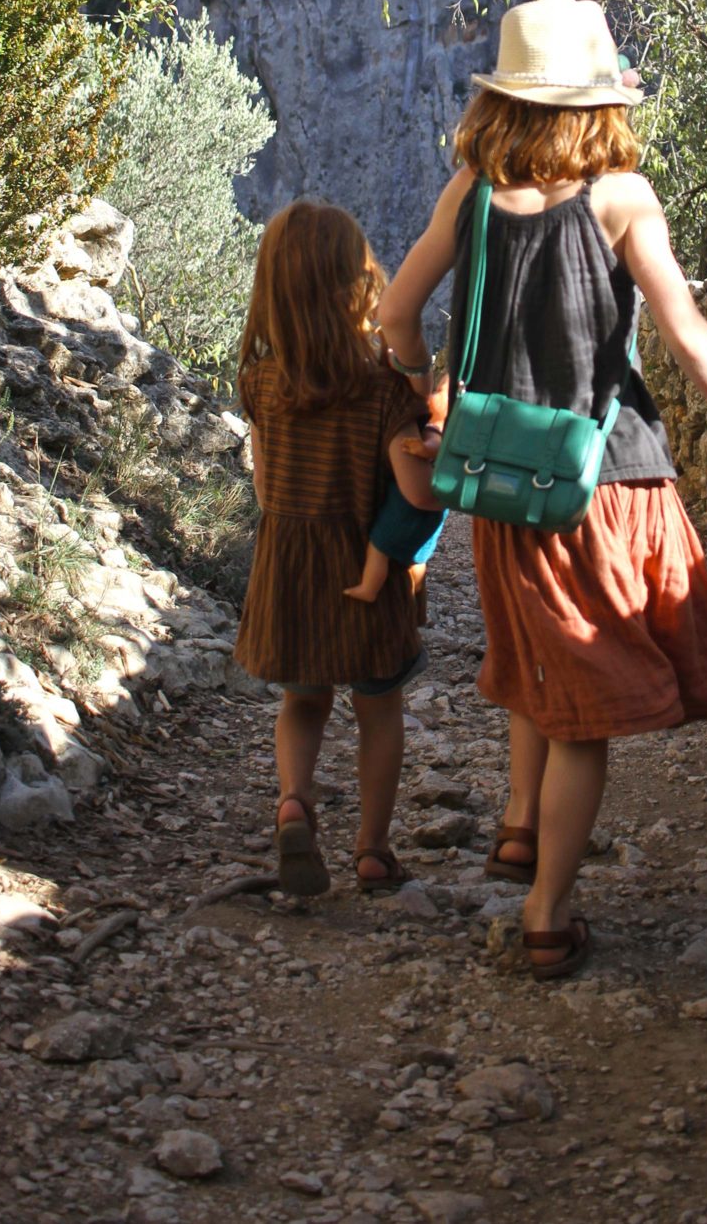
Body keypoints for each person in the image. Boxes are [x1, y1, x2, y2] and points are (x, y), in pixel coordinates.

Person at [377, 0, 707, 980]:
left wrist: (430, 392)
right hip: (605, 479)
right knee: (583, 704)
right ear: (599, 101)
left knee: (536, 654)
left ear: (505, 100)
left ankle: (517, 823)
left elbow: (395, 314)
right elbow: (682, 325)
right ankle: (548, 912)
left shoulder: (466, 192)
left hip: (501, 479)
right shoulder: (621, 196)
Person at [232, 200, 441, 896]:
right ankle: (373, 849)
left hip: (289, 573)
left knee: (303, 701)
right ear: (358, 289)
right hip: (364, 578)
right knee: (378, 709)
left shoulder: (260, 383)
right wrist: (435, 440)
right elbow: (418, 492)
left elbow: (264, 488)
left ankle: (294, 802)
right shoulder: (380, 391)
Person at [343, 384, 449, 606]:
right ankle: (415, 587)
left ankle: (368, 588)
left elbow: (434, 446)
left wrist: (422, 448)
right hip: (435, 505)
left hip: (407, 504)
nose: (432, 393)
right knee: (418, 556)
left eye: (438, 390)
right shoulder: (456, 433)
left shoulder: (435, 427)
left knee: (379, 546)